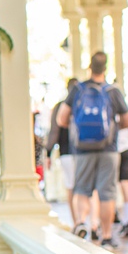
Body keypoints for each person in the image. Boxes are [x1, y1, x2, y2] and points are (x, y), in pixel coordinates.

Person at [56, 51, 128, 248]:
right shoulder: (112, 91)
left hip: (82, 150)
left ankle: (82, 221)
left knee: (82, 190)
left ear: (89, 67)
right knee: (107, 193)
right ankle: (106, 235)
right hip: (108, 149)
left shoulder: (77, 90)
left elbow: (61, 119)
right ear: (105, 68)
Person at [46, 78, 79, 225]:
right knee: (86, 188)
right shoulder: (81, 104)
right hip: (83, 153)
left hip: (66, 153)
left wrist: (48, 153)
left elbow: (54, 132)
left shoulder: (60, 106)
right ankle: (90, 222)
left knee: (71, 186)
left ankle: (77, 221)